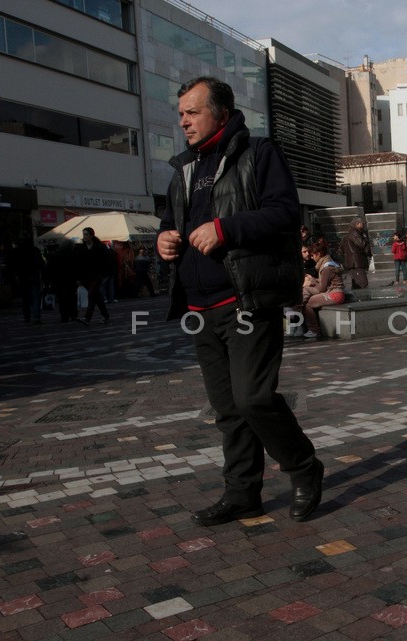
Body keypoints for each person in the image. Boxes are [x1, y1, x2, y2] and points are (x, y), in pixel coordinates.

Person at [156, 76, 322, 526]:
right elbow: (170, 219)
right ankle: (242, 493)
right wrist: (164, 239)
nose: (183, 121)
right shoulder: (183, 168)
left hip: (246, 299)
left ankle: (305, 468)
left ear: (222, 114)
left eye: (192, 111)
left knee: (253, 398)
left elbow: (285, 214)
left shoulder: (258, 154)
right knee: (228, 409)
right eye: (181, 113)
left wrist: (225, 229)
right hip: (199, 307)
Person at [300, 238, 345, 339]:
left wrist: (312, 281)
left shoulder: (326, 267)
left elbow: (322, 288)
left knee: (309, 302)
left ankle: (314, 330)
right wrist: (314, 279)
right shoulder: (327, 264)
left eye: (312, 255)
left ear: (318, 253)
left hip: (335, 295)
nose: (311, 257)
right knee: (307, 297)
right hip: (334, 292)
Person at [76, 227, 111, 325]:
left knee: (91, 295)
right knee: (97, 296)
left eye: (86, 234)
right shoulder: (81, 248)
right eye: (83, 234)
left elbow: (106, 261)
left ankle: (87, 318)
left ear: (92, 235)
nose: (84, 236)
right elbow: (78, 264)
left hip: (97, 275)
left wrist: (105, 274)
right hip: (86, 277)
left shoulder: (100, 247)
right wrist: (78, 278)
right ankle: (105, 316)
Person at [11, 237, 45, 324]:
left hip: (22, 277)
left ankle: (27, 317)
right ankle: (36, 317)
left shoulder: (16, 251)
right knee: (35, 297)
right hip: (33, 276)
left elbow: (13, 265)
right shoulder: (35, 250)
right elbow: (41, 263)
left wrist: (17, 275)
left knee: (25, 298)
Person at [46, 239, 79, 323]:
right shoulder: (74, 254)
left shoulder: (56, 255)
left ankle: (64, 316)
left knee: (62, 299)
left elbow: (49, 268)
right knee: (72, 298)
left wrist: (50, 280)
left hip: (59, 280)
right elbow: (78, 267)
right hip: (71, 280)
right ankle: (73, 315)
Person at [342, 217, 372, 289]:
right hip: (356, 262)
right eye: (363, 223)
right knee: (362, 283)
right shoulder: (354, 233)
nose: (364, 225)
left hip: (355, 262)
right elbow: (361, 244)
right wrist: (365, 237)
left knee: (357, 283)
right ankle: (363, 298)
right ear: (357, 224)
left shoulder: (352, 233)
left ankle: (358, 298)